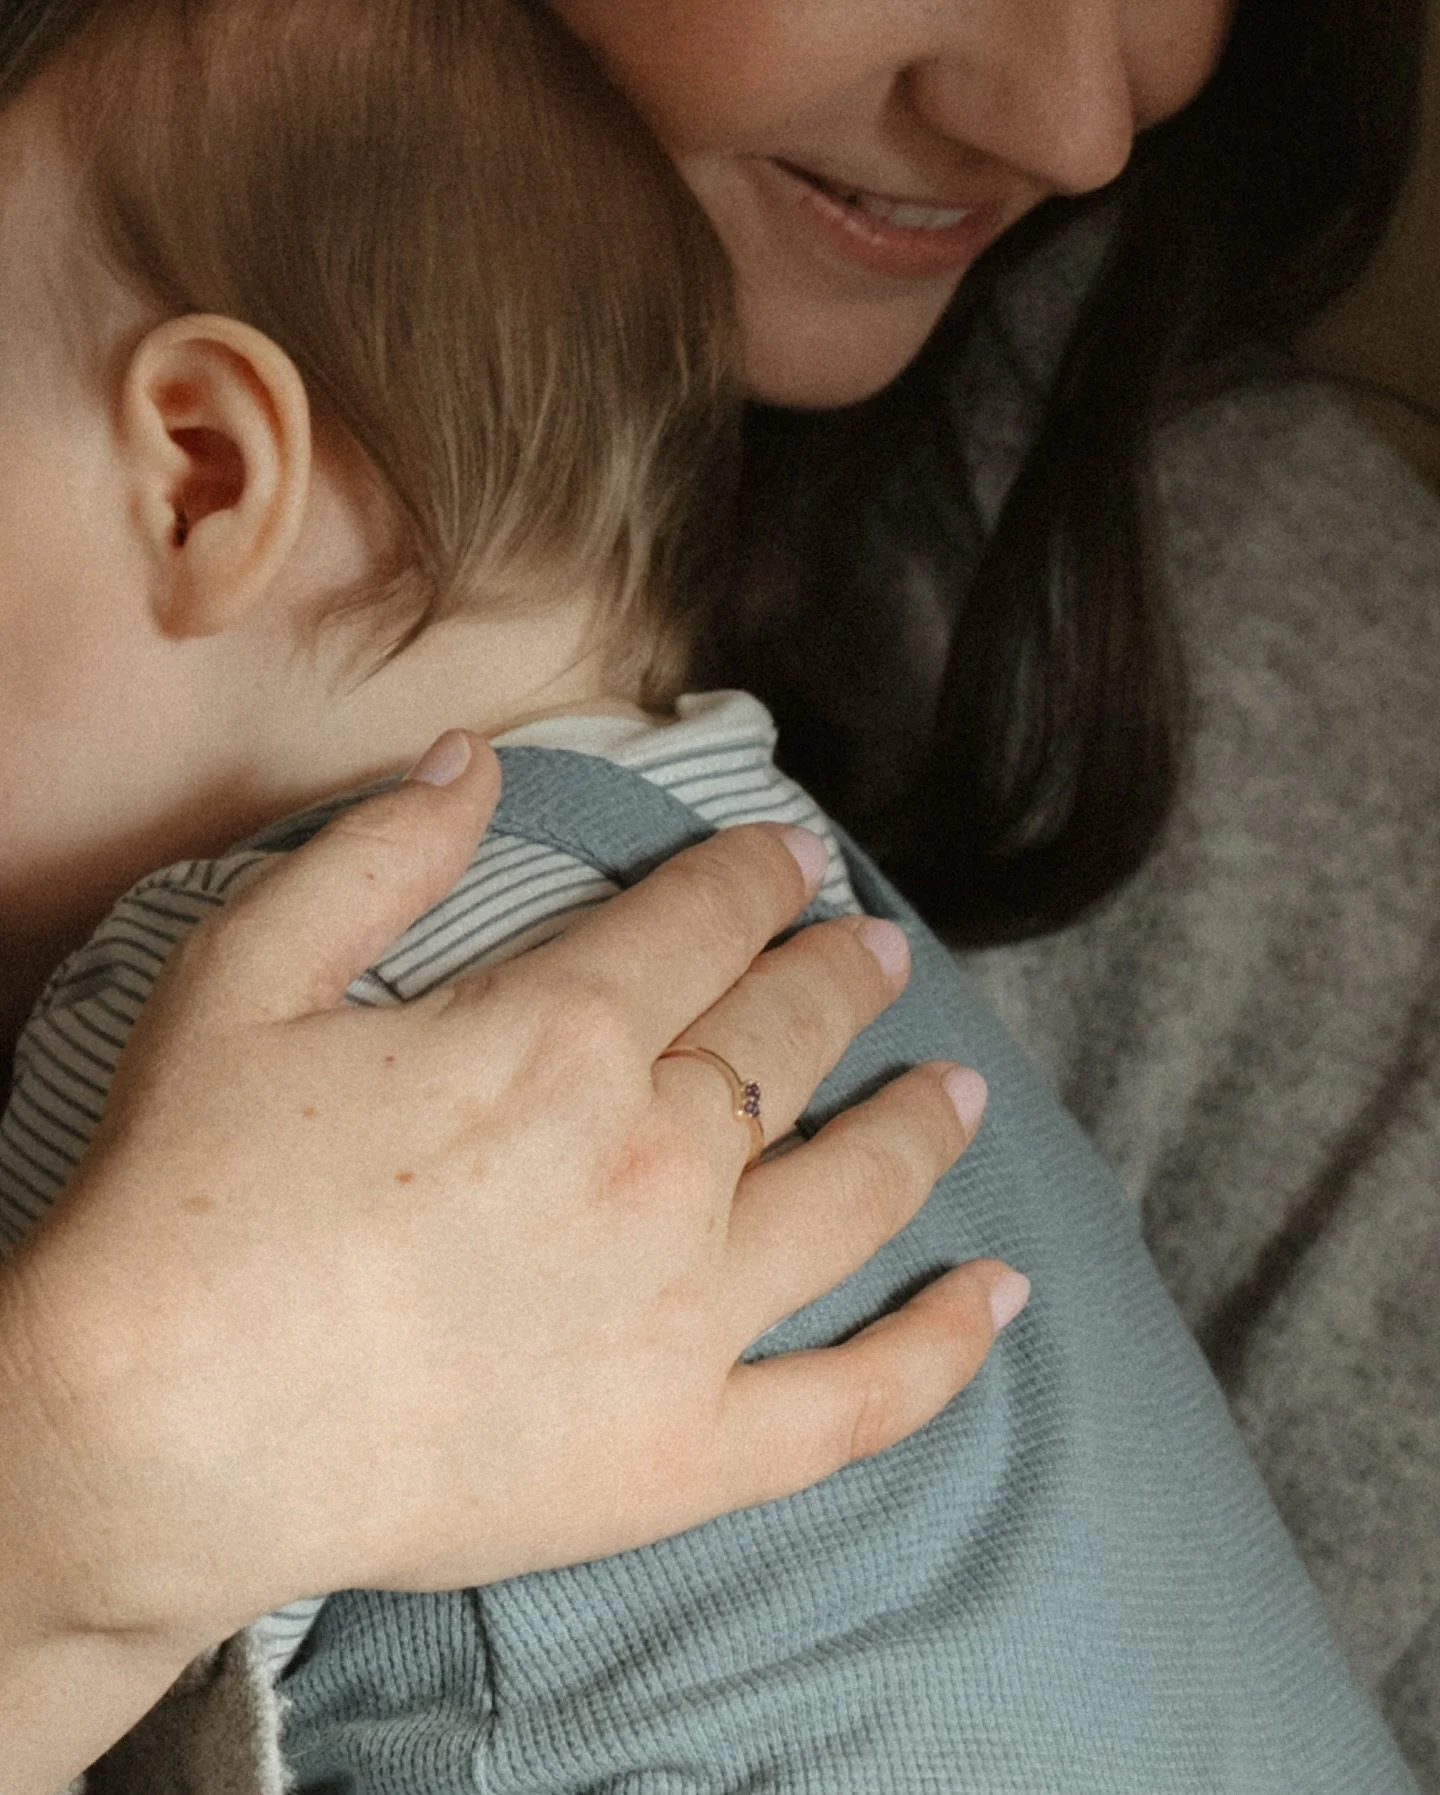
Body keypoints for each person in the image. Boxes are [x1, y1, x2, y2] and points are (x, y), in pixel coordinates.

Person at [1, 0, 1435, 1780]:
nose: (1080, 125)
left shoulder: (212, 1013)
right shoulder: (782, 861)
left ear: (209, 469)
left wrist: (59, 1472)